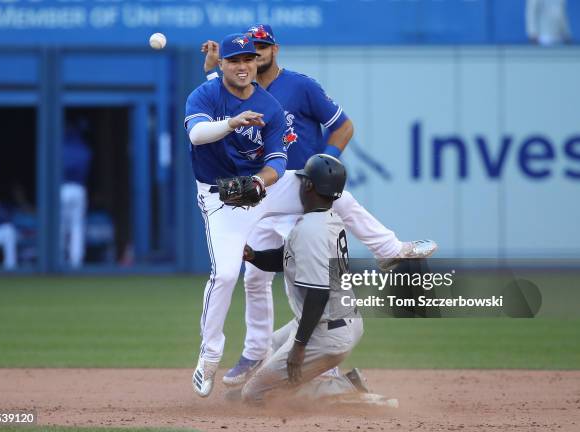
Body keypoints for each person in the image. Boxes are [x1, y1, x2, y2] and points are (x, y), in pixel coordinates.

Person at [186, 33, 434, 399]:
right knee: (226, 274)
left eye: (249, 58)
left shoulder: (273, 102)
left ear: (261, 59)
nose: (243, 64)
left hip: (263, 184)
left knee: (338, 198)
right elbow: (196, 134)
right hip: (220, 192)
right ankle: (210, 356)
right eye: (234, 59)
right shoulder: (206, 93)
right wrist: (234, 122)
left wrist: (260, 181)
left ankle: (389, 249)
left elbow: (277, 161)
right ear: (222, 64)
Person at [241, 154, 377, 404]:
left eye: (301, 180)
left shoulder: (309, 230)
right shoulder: (328, 219)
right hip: (344, 319)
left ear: (309, 186)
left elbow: (318, 293)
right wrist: (254, 256)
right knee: (270, 344)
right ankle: (310, 377)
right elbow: (286, 258)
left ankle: (344, 386)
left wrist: (299, 348)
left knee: (254, 395)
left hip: (327, 331)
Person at [61, 122, 92, 268]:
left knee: (60, 225)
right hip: (79, 189)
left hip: (63, 188)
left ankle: (58, 258)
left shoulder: (61, 148)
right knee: (76, 226)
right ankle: (76, 260)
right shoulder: (84, 149)